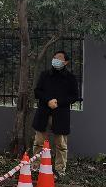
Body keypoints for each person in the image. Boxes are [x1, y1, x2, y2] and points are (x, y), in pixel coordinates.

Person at [31, 50, 80, 178]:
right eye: (55, 57)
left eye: (59, 58)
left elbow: (74, 96)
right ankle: (36, 166)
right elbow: (37, 91)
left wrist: (58, 102)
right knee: (39, 142)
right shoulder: (45, 75)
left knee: (61, 145)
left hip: (61, 114)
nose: (56, 60)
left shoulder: (70, 78)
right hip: (44, 112)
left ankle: (60, 169)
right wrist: (48, 100)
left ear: (66, 62)